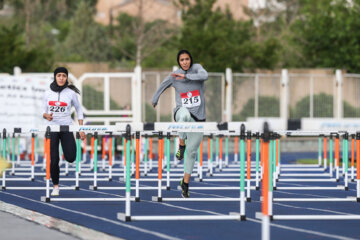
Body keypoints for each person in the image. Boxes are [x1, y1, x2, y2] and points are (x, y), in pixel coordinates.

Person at [152, 50, 208, 198]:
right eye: (182, 60)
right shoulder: (174, 75)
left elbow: (205, 76)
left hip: (198, 118)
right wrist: (154, 99)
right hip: (181, 112)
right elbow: (162, 86)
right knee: (183, 115)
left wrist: (186, 76)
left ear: (191, 60)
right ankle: (181, 144)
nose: (185, 62)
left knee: (192, 152)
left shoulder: (197, 69)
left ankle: (185, 182)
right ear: (179, 62)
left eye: (187, 59)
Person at [42, 67, 85, 196]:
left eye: (64, 76)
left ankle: (65, 153)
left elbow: (79, 110)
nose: (61, 78)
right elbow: (42, 110)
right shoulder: (47, 92)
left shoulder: (71, 93)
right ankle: (55, 186)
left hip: (67, 127)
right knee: (54, 160)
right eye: (59, 75)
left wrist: (81, 129)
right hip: (52, 129)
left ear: (66, 78)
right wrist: (46, 116)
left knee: (71, 157)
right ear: (55, 77)